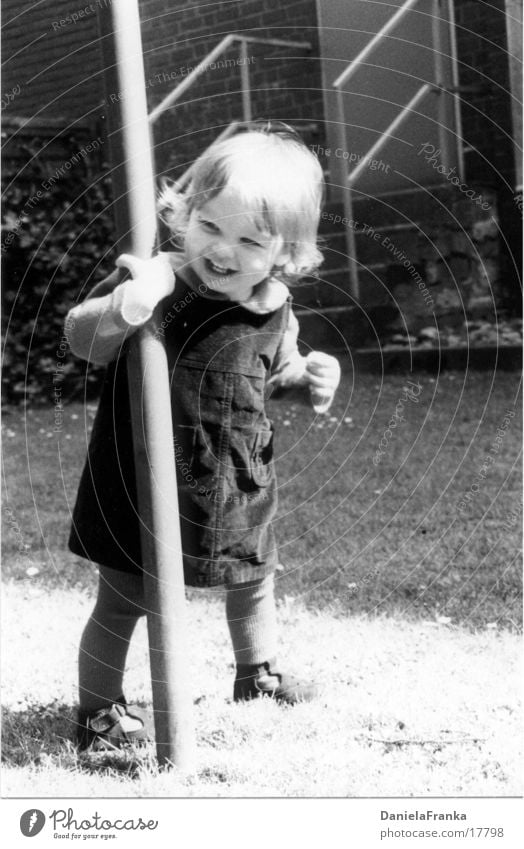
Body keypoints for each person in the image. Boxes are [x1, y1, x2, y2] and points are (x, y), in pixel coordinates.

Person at [66, 123, 341, 750]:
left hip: (235, 474)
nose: (224, 249)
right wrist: (134, 301)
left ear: (286, 252)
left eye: (250, 240)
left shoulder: (275, 306)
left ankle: (257, 673)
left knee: (253, 577)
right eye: (210, 226)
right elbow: (83, 339)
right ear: (183, 213)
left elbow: (274, 375)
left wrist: (310, 379)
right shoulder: (158, 280)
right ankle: (98, 711)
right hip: (141, 478)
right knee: (124, 599)